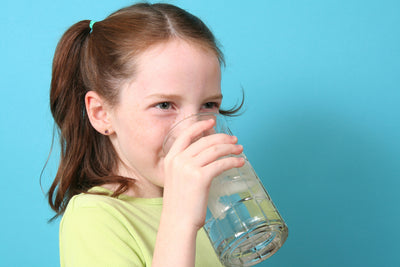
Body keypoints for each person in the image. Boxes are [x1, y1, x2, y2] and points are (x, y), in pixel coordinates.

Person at [48, 2, 245, 266]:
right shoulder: (93, 216)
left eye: (208, 105)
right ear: (101, 113)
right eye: (164, 105)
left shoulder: (203, 206)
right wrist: (180, 220)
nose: (191, 129)